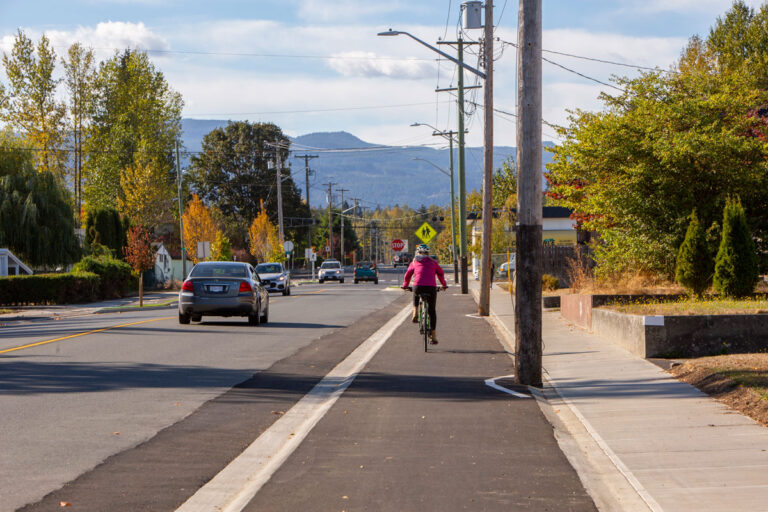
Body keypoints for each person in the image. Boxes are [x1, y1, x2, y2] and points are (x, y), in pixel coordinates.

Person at [402, 244, 448, 344]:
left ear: (417, 253)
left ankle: (415, 310)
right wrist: (443, 284)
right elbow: (440, 273)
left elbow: (408, 274)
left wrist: (405, 285)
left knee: (415, 291)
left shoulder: (414, 262)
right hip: (431, 287)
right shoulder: (433, 262)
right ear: (428, 253)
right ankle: (433, 335)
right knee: (432, 311)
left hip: (418, 286)